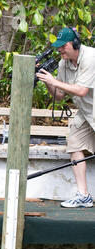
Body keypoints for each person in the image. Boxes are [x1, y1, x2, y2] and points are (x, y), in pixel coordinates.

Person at [36, 27, 94, 208]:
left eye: (62, 46)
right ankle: (83, 196)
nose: (59, 50)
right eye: (58, 46)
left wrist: (54, 81)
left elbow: (82, 91)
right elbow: (59, 95)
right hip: (86, 112)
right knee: (75, 142)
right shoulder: (64, 63)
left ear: (74, 44)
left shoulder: (91, 57)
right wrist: (47, 81)